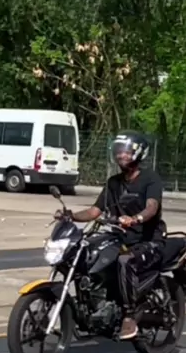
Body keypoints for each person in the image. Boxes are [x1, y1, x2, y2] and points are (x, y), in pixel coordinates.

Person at [54, 131, 166, 340]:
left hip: (148, 241)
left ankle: (129, 316)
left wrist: (136, 218)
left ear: (139, 153)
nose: (121, 155)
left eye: (126, 152)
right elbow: (94, 211)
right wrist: (70, 215)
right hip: (120, 238)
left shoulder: (150, 179)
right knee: (86, 251)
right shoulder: (113, 182)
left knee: (124, 261)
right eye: (119, 151)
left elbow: (152, 207)